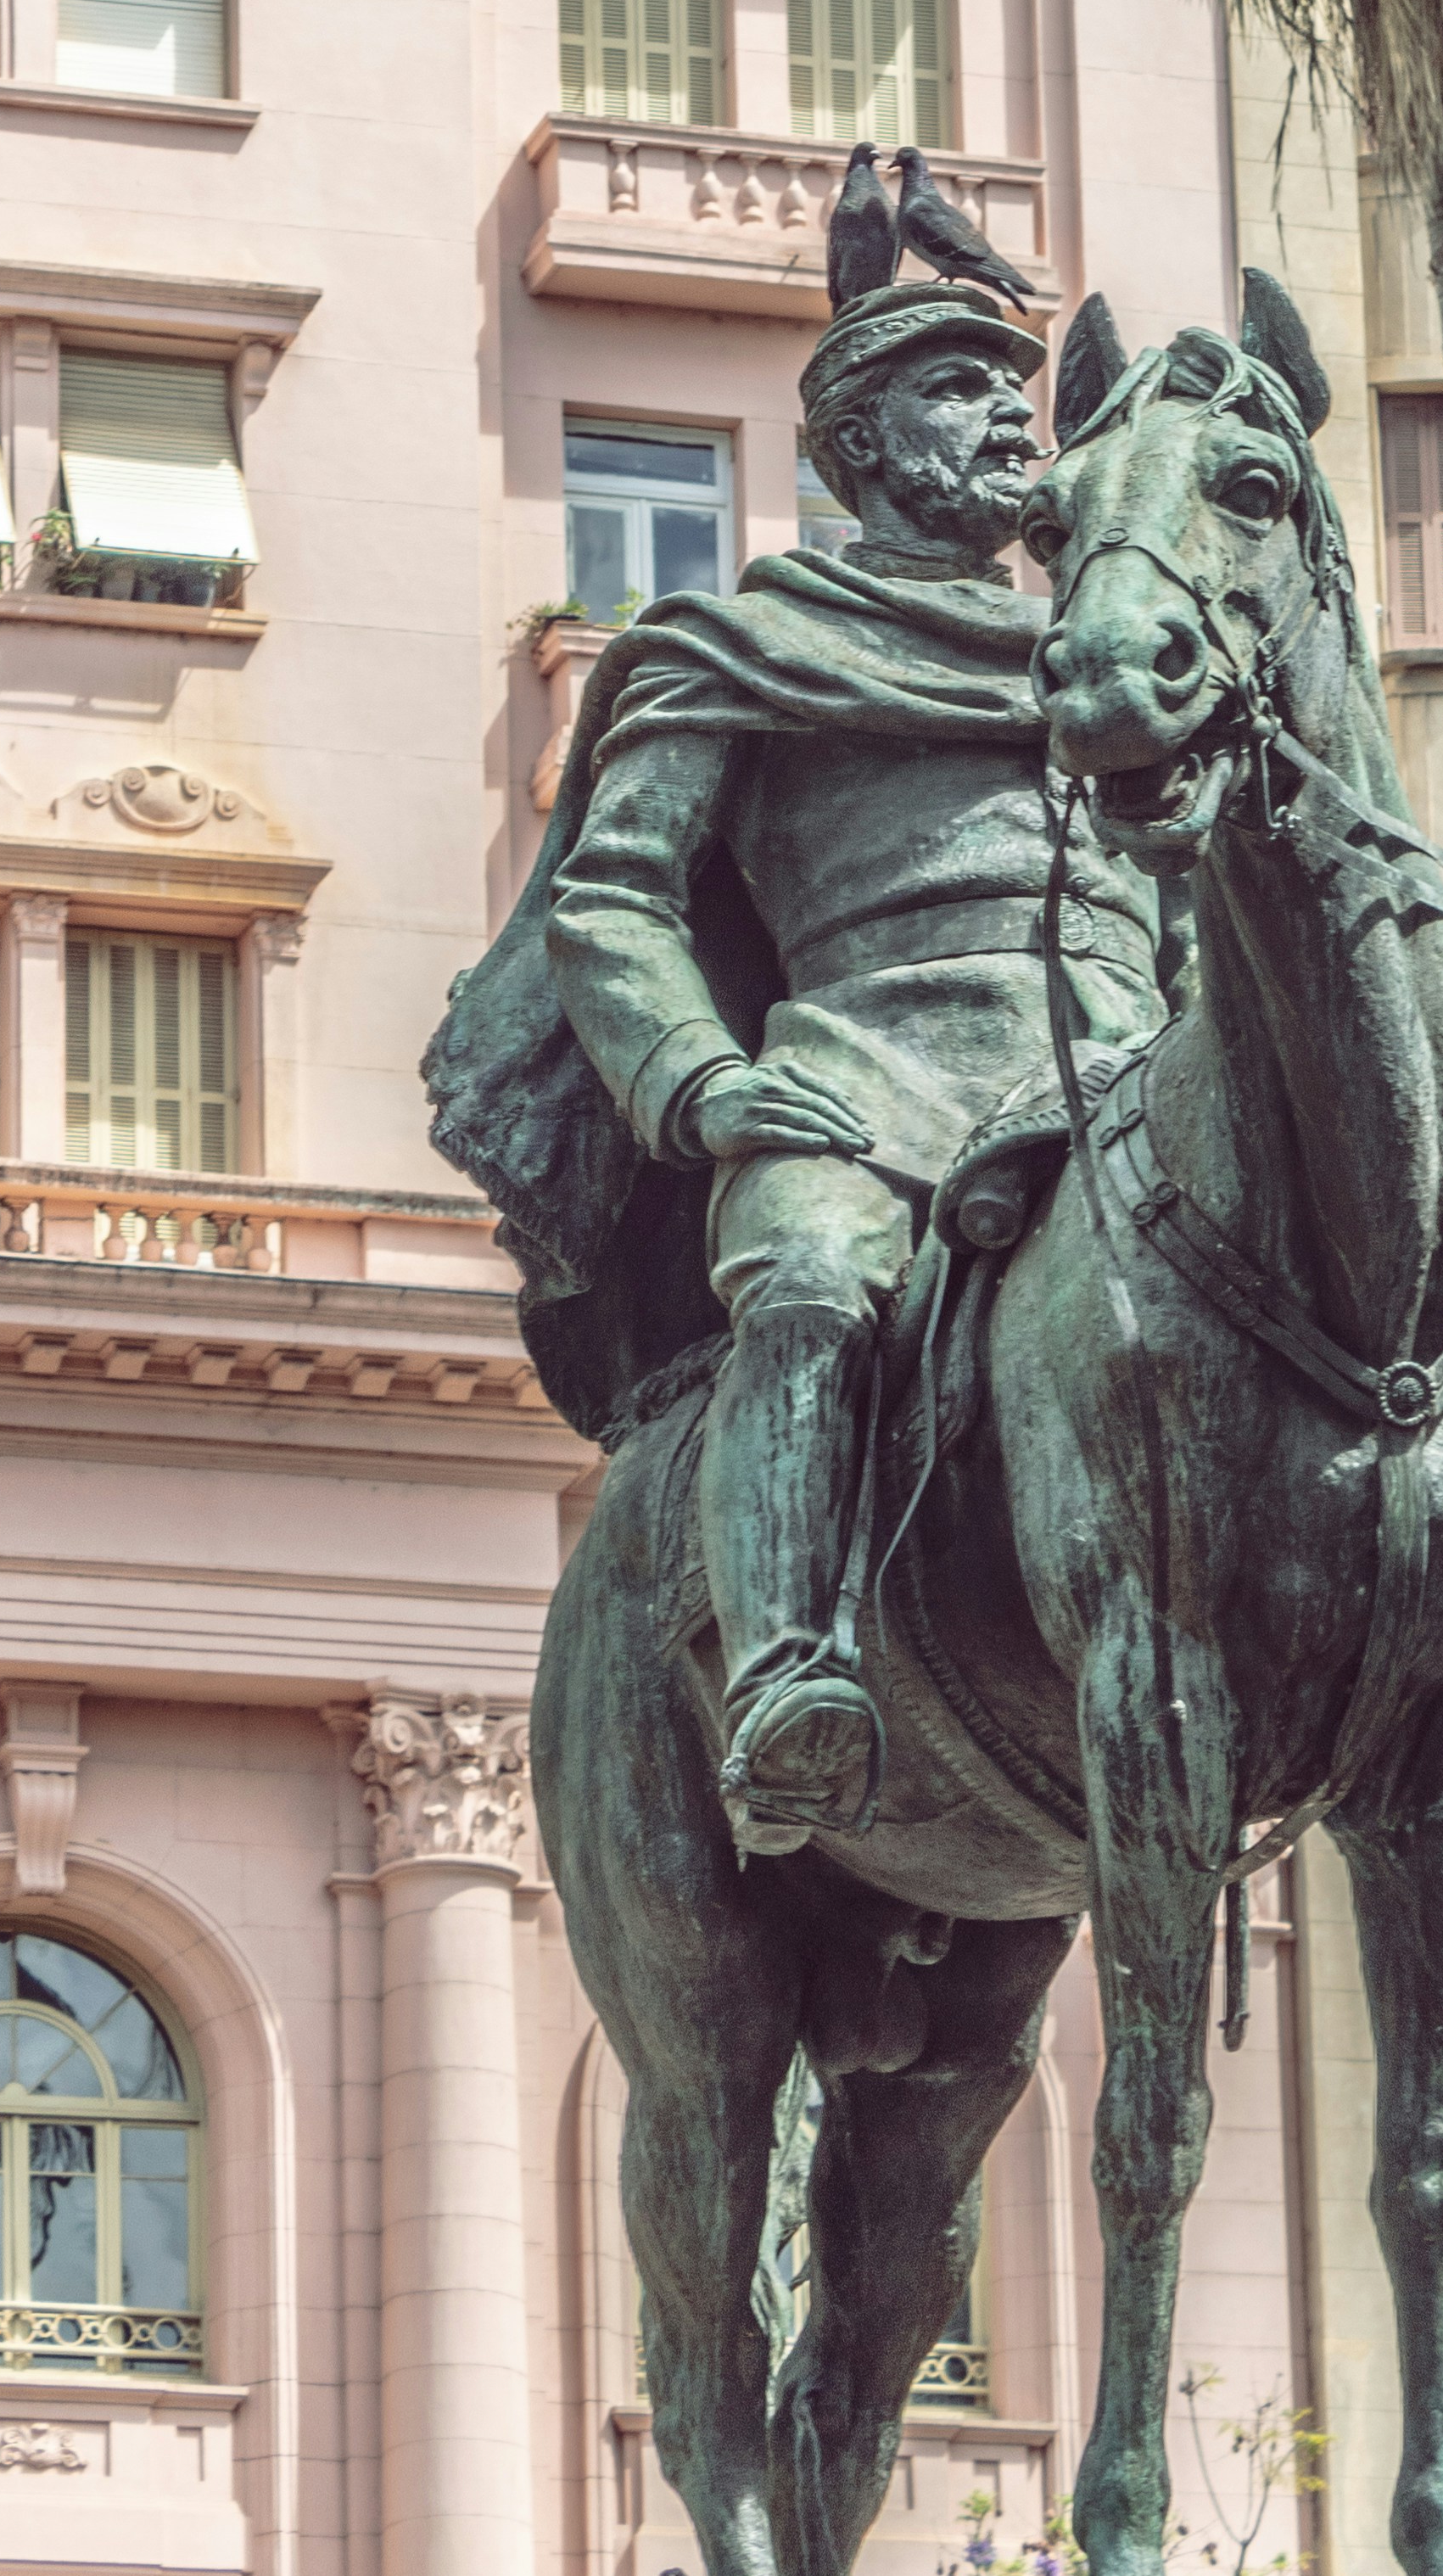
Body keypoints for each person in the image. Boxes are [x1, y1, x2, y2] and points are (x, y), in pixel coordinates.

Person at [427, 279, 1164, 1854]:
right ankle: (785, 1678)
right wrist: (698, 1081)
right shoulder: (747, 644)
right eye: (961, 388)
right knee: (816, 1281)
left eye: (1010, 387)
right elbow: (612, 895)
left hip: (1124, 1082)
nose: (1008, 415)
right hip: (873, 1081)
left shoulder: (1110, 649)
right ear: (860, 443)